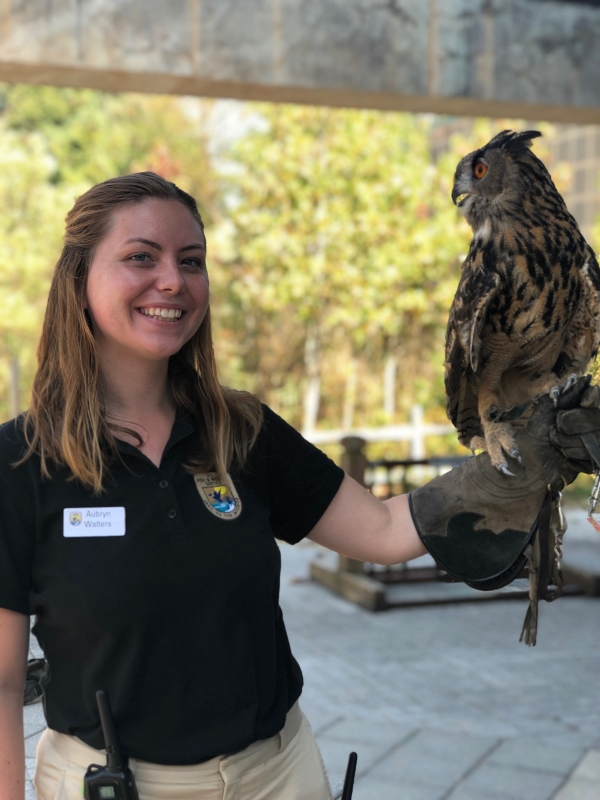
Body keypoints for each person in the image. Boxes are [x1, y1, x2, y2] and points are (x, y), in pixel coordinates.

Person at [0, 172, 598, 800]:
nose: (173, 280)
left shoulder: (243, 429)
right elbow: (6, 682)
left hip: (276, 777)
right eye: (140, 257)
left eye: (192, 260)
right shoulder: (18, 462)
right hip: (110, 784)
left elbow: (382, 530)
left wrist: (523, 460)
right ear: (79, 277)